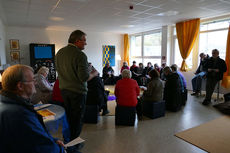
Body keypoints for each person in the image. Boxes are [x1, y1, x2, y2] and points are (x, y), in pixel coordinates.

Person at [0, 64, 65, 153]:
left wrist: (53, 140)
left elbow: (33, 137)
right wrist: (61, 150)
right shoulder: (20, 114)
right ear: (20, 86)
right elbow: (43, 147)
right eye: (32, 80)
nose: (35, 83)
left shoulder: (7, 102)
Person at [55, 30, 99, 150]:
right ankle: (73, 145)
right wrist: (94, 73)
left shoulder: (59, 52)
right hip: (77, 92)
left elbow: (61, 71)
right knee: (77, 119)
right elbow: (84, 78)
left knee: (68, 116)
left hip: (64, 90)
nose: (86, 43)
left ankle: (66, 140)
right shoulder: (80, 55)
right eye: (84, 40)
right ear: (77, 41)